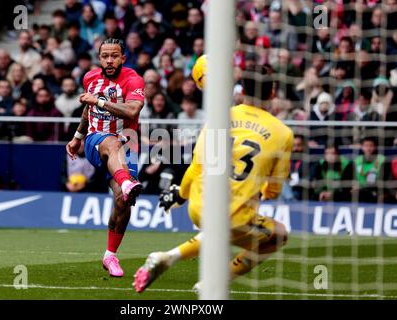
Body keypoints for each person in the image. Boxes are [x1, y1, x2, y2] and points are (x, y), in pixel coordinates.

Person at [133, 57, 292, 293]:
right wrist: (264, 191)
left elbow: (196, 167)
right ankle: (216, 280)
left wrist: (181, 194)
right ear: (272, 93)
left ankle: (169, 256)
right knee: (278, 234)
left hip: (198, 205)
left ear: (243, 89)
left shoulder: (219, 119)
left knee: (221, 228)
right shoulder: (282, 133)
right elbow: (274, 190)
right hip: (236, 212)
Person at [66, 38, 145, 278]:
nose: (109, 61)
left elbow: (132, 110)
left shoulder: (133, 80)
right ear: (99, 58)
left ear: (123, 58)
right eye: (104, 56)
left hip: (127, 142)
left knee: (123, 200)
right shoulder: (90, 78)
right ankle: (127, 180)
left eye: (114, 56)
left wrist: (99, 100)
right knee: (111, 142)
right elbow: (88, 110)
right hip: (95, 139)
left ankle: (110, 254)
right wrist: (78, 136)